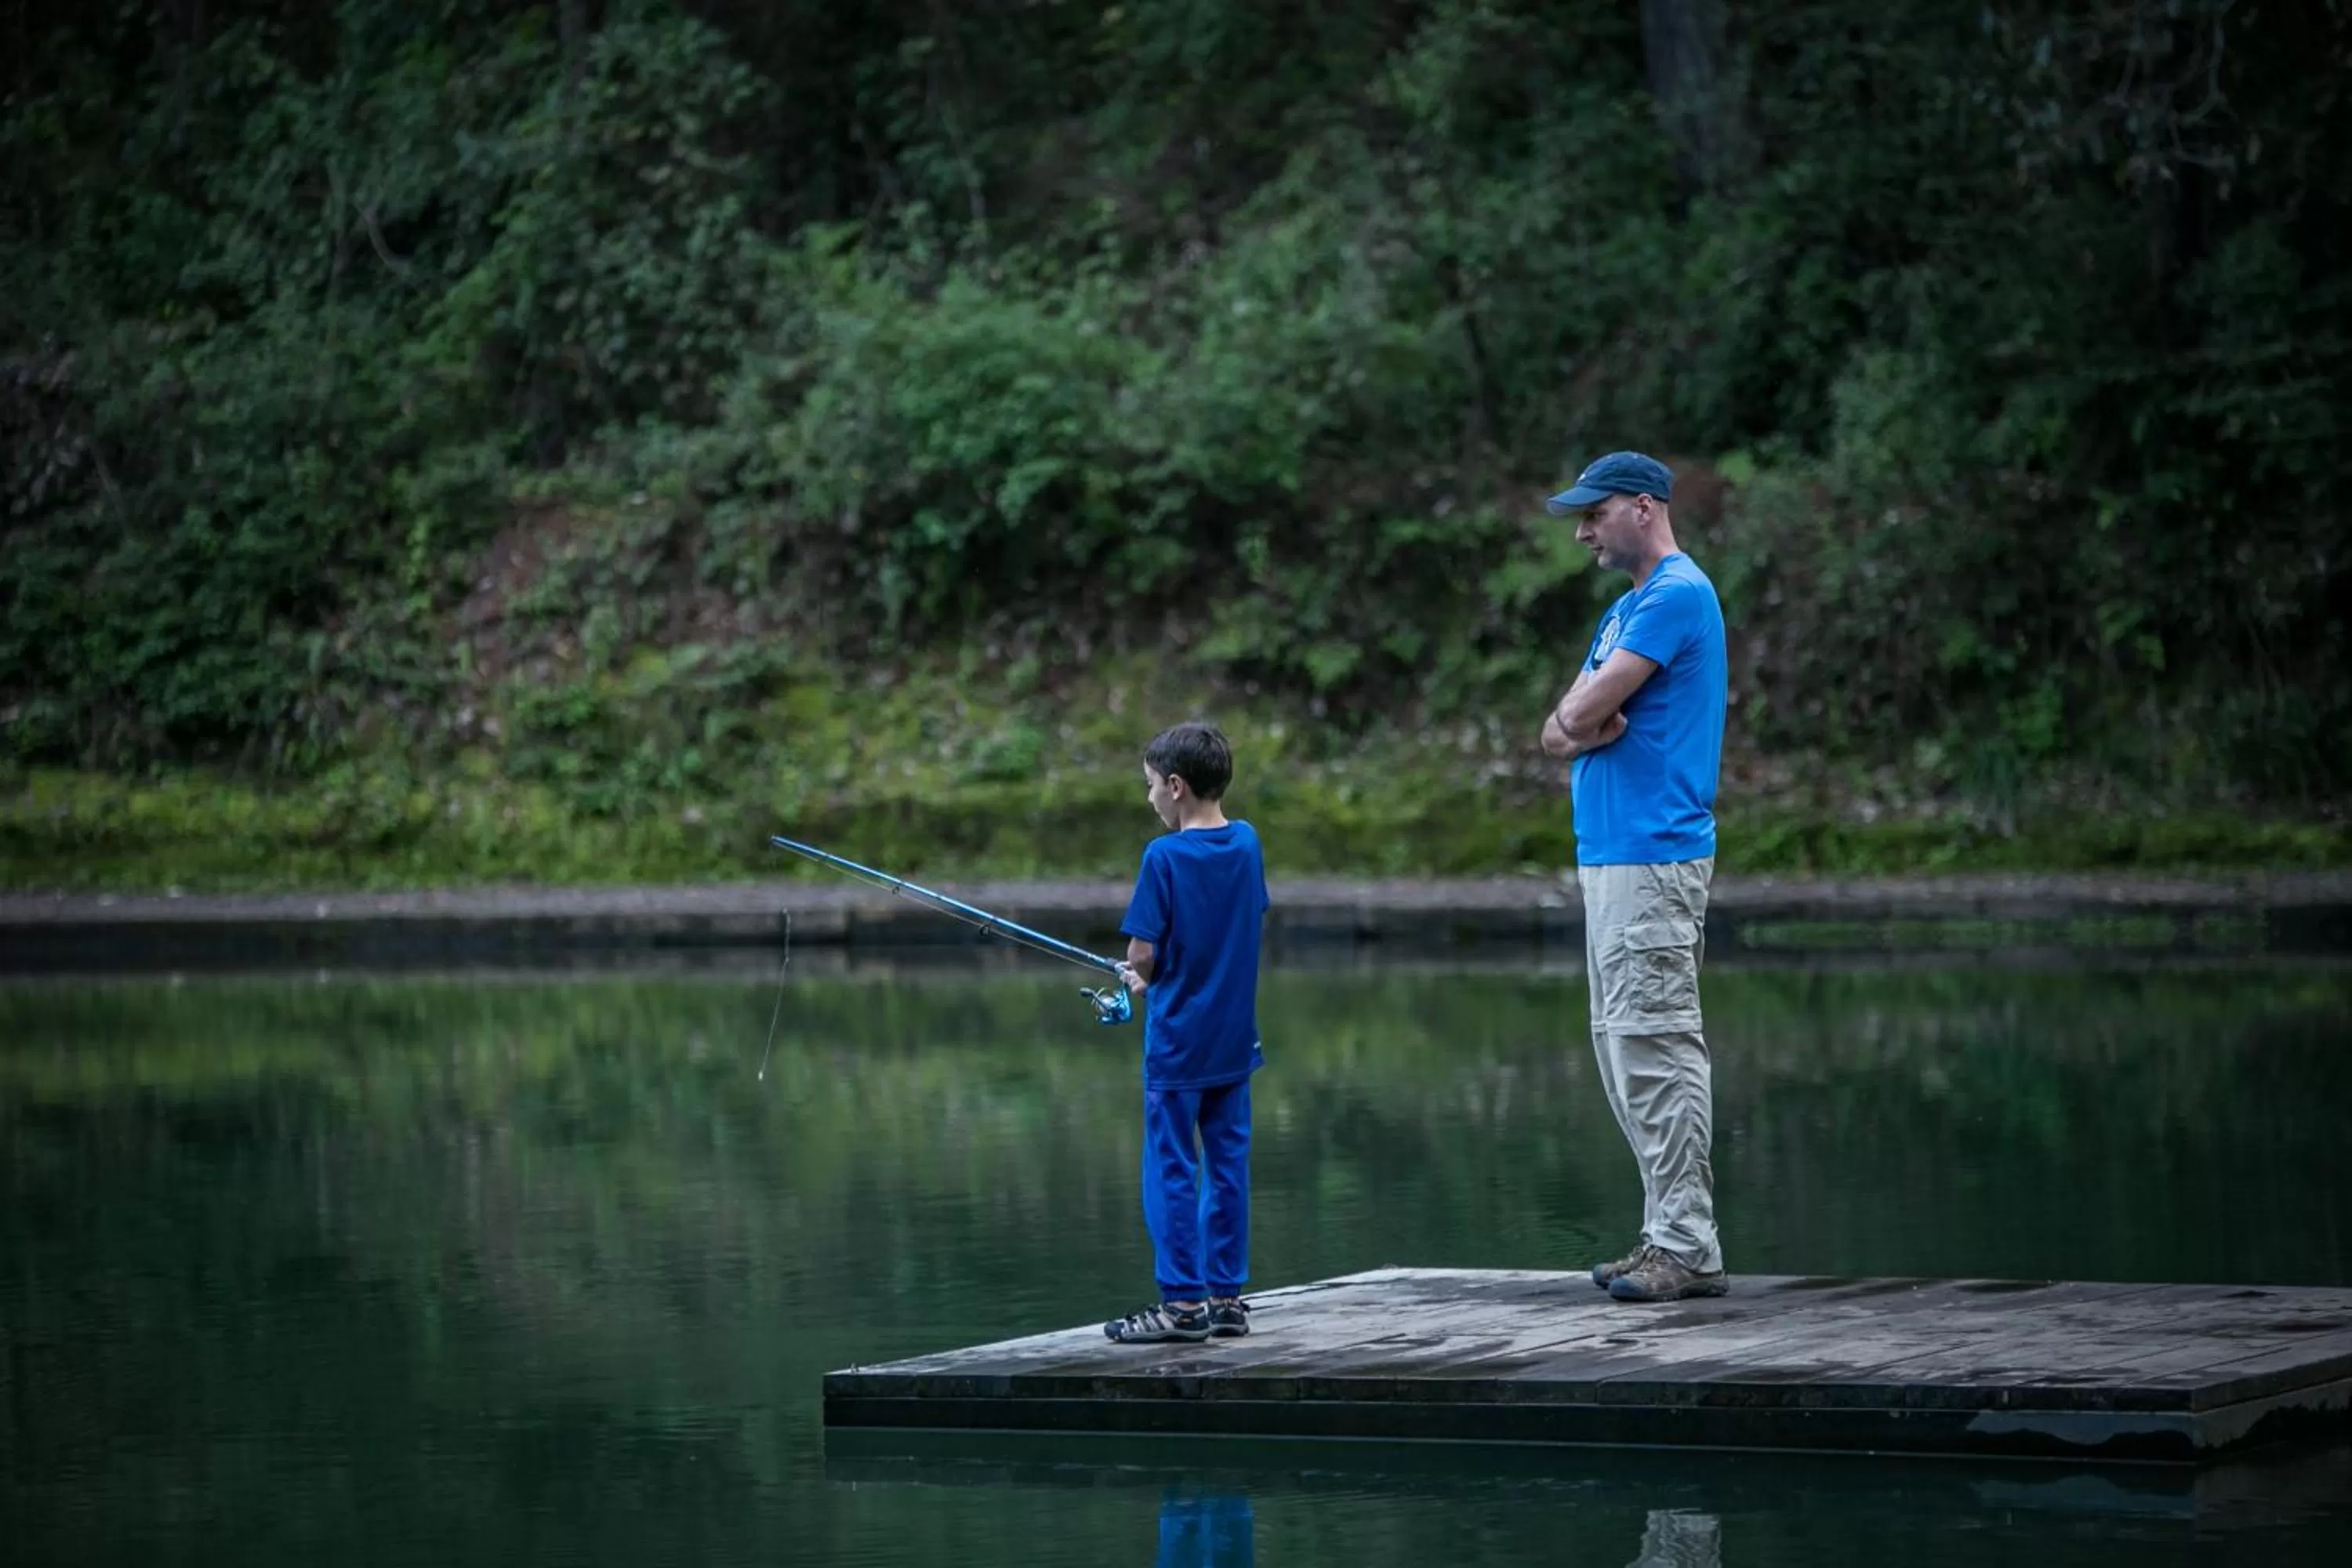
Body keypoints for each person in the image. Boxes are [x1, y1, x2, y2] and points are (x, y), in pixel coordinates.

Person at [1539, 451, 1730, 1303]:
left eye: (1595, 513)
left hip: (1654, 854)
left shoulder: (1676, 595)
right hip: (1613, 854)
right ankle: (1667, 1234)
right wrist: (1579, 721)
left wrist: (1581, 718)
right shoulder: (1625, 611)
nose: (1583, 532)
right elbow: (1557, 731)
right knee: (1623, 1048)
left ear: (1644, 508)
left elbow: (1577, 714)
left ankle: (1688, 1246)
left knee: (1656, 1042)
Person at [1103, 721, 1270, 1344]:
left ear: (1176, 786)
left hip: (1178, 1045)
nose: (1149, 797)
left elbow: (1143, 953)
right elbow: (1234, 924)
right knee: (1227, 1166)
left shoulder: (1164, 857)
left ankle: (1181, 1305)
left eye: (1150, 785)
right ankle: (1225, 1299)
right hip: (1234, 1041)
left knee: (1172, 1166)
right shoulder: (1247, 842)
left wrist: (1140, 977)